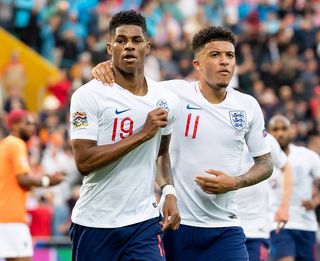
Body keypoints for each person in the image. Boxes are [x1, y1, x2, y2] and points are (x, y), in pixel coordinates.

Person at [92, 25, 273, 261]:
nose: (225, 61)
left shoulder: (247, 106)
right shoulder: (172, 93)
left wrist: (235, 182)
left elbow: (266, 163)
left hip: (226, 229)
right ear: (197, 64)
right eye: (215, 55)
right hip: (177, 225)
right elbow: (130, 81)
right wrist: (106, 68)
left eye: (230, 55)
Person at [69, 10, 181, 261]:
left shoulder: (167, 100)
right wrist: (143, 133)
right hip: (94, 223)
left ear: (147, 46)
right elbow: (84, 162)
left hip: (143, 222)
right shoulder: (88, 96)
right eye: (121, 40)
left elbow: (161, 153)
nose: (129, 46)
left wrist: (168, 191)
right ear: (110, 47)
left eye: (136, 40)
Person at [0, 109, 64, 261]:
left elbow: (23, 183)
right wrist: (48, 182)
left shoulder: (5, 144)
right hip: (12, 216)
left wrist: (40, 179)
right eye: (27, 123)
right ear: (14, 126)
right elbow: (23, 180)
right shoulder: (16, 144)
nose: (32, 127)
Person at [268, 115, 320, 261]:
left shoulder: (307, 156)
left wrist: (315, 202)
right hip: (276, 223)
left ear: (291, 130)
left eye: (284, 129)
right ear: (269, 133)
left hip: (306, 224)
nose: (280, 133)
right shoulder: (262, 159)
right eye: (275, 129)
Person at [237, 133, 292, 261]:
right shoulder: (219, 133)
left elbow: (286, 166)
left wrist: (284, 206)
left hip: (256, 228)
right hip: (224, 225)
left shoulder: (265, 139)